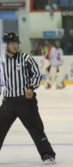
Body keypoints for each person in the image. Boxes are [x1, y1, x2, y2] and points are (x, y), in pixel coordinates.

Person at [0, 32, 56, 165]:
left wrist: (31, 87)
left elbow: (36, 75)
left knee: (36, 128)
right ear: (5, 45)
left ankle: (47, 154)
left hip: (25, 102)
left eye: (16, 43)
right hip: (8, 102)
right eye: (11, 43)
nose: (14, 46)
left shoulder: (25, 58)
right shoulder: (1, 61)